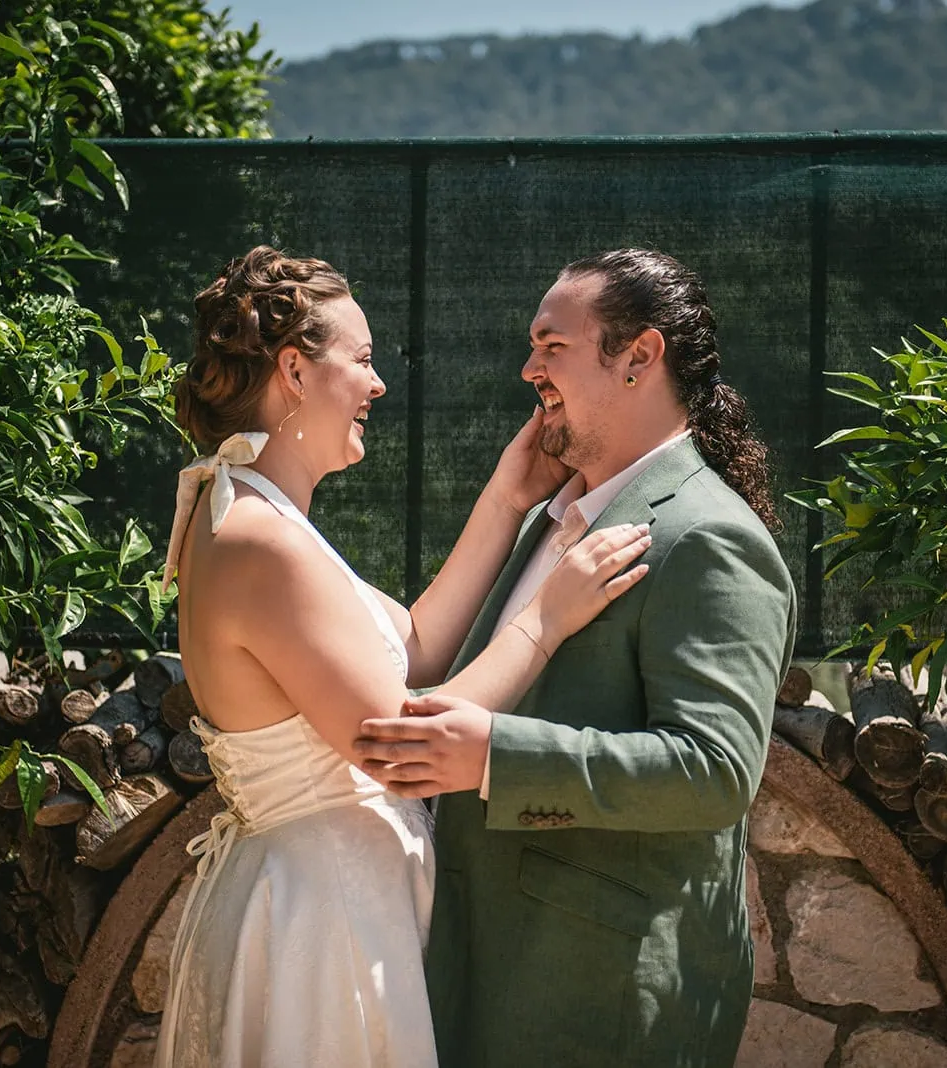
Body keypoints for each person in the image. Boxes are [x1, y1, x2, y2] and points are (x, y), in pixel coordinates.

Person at [152, 245, 652, 1068]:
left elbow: (413, 648)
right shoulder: (260, 543)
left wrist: (506, 494)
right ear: (294, 370)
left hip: (330, 904)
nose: (378, 384)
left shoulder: (249, 511)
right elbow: (400, 744)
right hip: (326, 932)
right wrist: (547, 617)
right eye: (363, 359)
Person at [355, 248, 798, 1068]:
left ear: (639, 357)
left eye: (551, 345)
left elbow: (715, 772)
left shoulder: (711, 538)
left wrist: (494, 757)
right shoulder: (549, 520)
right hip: (485, 967)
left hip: (597, 997)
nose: (529, 368)